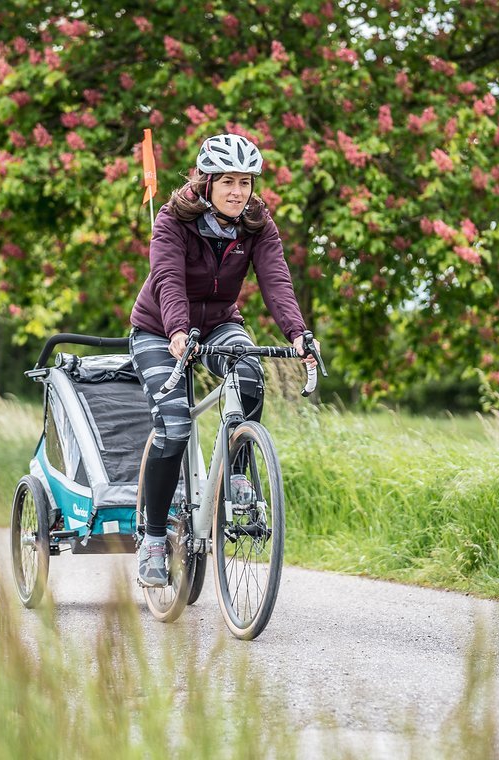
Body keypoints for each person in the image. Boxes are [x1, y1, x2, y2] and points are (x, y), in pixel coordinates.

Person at [129, 133, 317, 587]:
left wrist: (299, 334)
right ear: (207, 180)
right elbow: (167, 280)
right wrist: (175, 331)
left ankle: (235, 478)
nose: (238, 191)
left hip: (218, 323)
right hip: (158, 328)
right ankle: (154, 539)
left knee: (249, 373)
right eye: (228, 181)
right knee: (173, 427)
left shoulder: (257, 224)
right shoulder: (173, 221)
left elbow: (276, 281)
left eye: (246, 182)